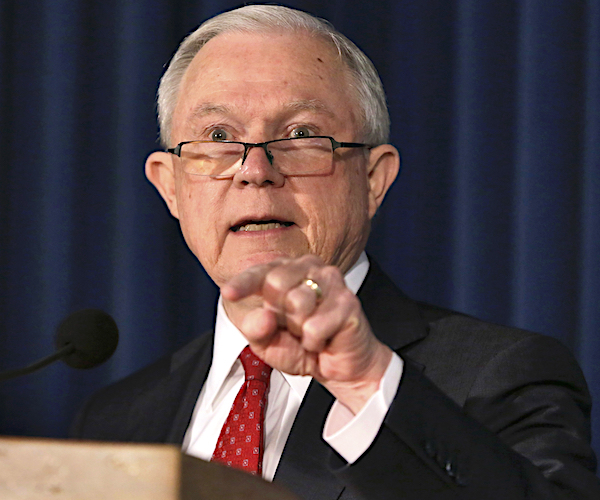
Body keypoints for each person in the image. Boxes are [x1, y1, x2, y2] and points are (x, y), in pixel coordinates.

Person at [70, 5, 600, 499]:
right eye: (218, 135)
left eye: (301, 134)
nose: (255, 170)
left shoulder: (501, 375)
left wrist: (368, 382)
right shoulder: (117, 420)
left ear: (373, 178)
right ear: (170, 187)